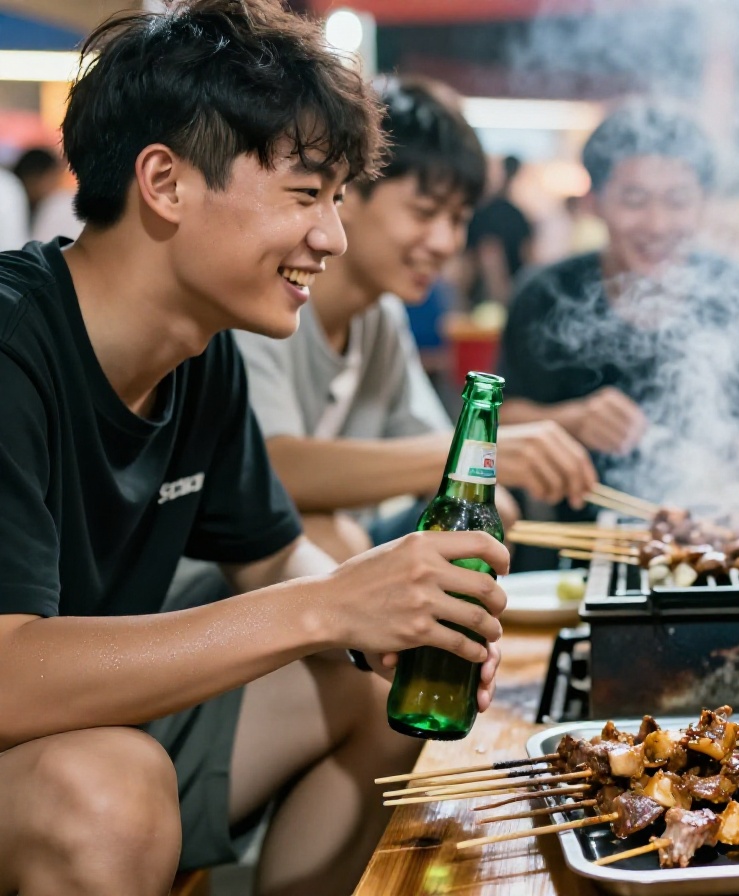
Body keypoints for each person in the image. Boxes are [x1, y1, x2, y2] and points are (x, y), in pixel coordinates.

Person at [0, 3, 514, 894]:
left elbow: (273, 555)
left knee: (379, 697)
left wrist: (387, 626)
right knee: (107, 790)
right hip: (39, 732)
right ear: (164, 183)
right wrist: (328, 607)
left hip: (84, 723)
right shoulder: (12, 346)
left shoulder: (203, 354)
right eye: (307, 194)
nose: (333, 236)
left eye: (340, 199)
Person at [232, 77, 595, 563]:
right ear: (348, 193)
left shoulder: (380, 316)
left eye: (459, 219)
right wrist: (490, 448)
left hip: (340, 552)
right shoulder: (267, 300)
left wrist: (474, 461)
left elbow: (428, 450)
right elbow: (269, 466)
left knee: (491, 513)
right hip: (234, 573)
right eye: (425, 212)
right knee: (329, 536)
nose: (445, 242)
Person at [498, 102, 739, 522]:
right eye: (634, 200)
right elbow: (497, 420)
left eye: (677, 201)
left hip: (727, 523)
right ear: (594, 202)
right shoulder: (547, 293)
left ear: (704, 203)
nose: (657, 225)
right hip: (591, 535)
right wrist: (573, 418)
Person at [464, 154, 535, 307]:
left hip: (484, 301)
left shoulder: (484, 212)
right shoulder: (517, 215)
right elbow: (527, 256)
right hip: (499, 297)